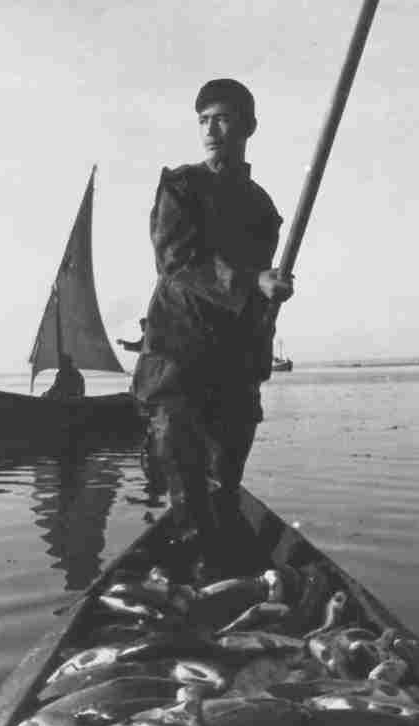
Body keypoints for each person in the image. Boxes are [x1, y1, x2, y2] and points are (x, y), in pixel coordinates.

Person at [132, 78, 293, 565]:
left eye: (222, 118)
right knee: (189, 500)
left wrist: (270, 294)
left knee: (224, 489)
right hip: (177, 363)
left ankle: (222, 576)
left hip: (235, 368)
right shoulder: (181, 187)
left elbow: (256, 292)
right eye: (203, 120)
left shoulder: (263, 208)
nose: (211, 129)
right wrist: (251, 282)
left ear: (249, 126)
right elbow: (177, 263)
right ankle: (191, 586)